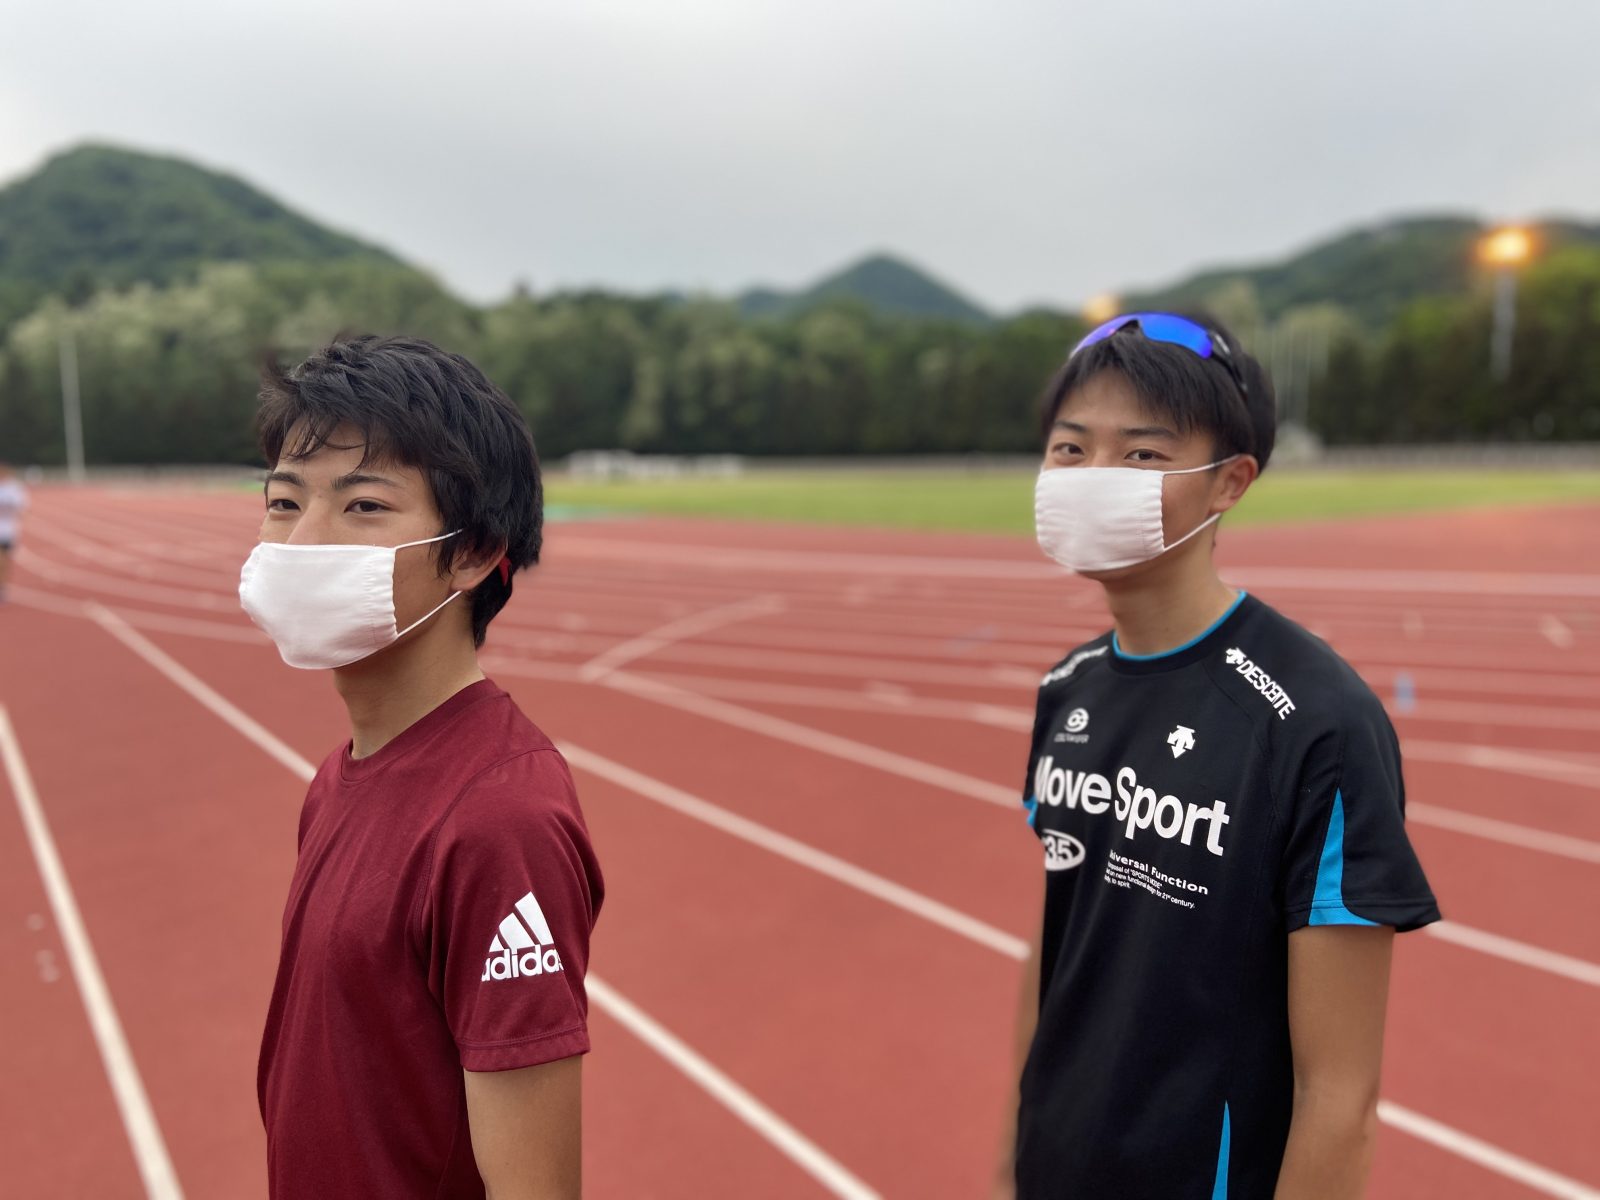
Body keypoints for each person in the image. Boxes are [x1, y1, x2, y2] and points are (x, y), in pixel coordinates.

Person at [999, 313, 1438, 1200]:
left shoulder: (1316, 721)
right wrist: (1013, 1166)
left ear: (1229, 482)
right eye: (1071, 449)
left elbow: (1340, 1096)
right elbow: (1055, 938)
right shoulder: (1069, 687)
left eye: (1143, 456)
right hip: (1060, 1163)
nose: (1093, 479)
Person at [244, 335, 603, 1200]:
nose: (305, 541)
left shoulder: (498, 822)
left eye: (363, 508)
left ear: (476, 551)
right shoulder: (338, 775)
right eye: (284, 502)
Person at [0, 461, 29, 604]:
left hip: (7, 531)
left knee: (4, 561)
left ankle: (2, 588)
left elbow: (21, 508)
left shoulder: (13, 488)